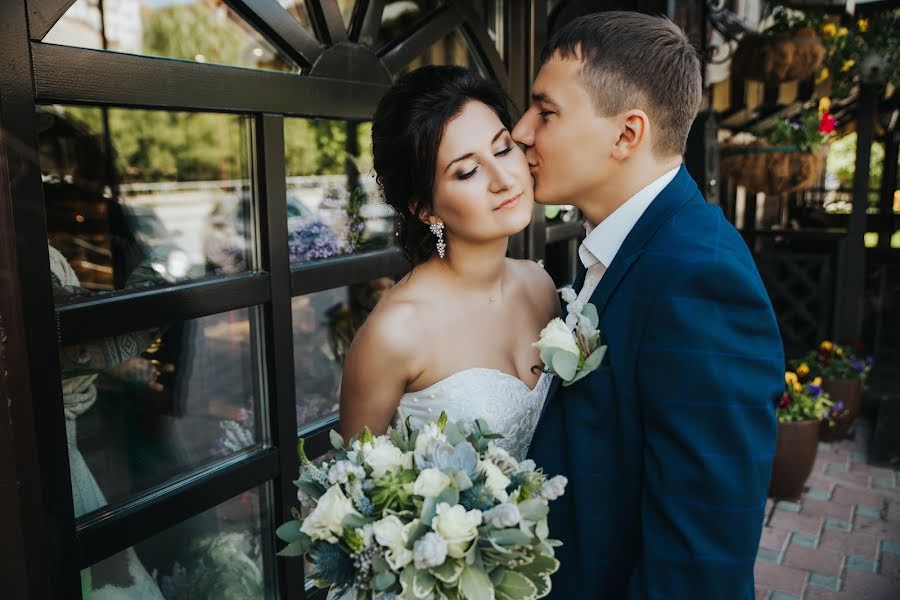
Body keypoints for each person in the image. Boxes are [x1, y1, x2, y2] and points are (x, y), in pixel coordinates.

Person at [514, 12, 785, 599]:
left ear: (627, 134)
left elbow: (699, 565)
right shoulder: (623, 247)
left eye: (546, 111)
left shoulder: (700, 280)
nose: (521, 131)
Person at [338, 65, 558, 460]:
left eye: (504, 148)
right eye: (468, 171)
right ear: (425, 209)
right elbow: (352, 491)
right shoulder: (395, 332)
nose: (503, 178)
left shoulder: (539, 285)